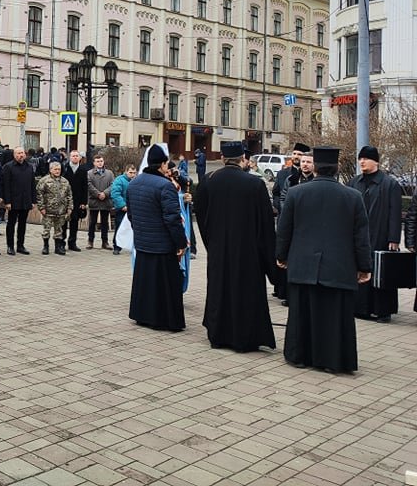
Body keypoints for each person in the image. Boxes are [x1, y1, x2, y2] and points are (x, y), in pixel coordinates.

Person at [276, 146, 372, 373]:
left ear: (315, 168)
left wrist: (281, 256)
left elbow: (284, 229)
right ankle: (333, 360)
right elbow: (361, 237)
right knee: (334, 316)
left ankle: (299, 356)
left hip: (303, 264)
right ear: (337, 168)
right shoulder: (353, 196)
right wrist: (364, 267)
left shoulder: (296, 193)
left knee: (301, 313)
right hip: (339, 267)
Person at [195, 141, 277, 352]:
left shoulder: (208, 181)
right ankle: (245, 337)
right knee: (245, 291)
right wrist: (271, 261)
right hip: (248, 251)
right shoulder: (254, 184)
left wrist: (211, 243)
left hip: (218, 249)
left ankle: (218, 334)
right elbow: (266, 225)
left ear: (222, 159)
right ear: (243, 160)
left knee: (219, 289)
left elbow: (201, 216)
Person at [127, 144, 188, 332]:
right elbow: (172, 219)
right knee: (165, 285)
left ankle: (142, 315)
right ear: (162, 164)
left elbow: (131, 215)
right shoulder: (165, 186)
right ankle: (166, 320)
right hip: (162, 244)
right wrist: (180, 243)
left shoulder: (134, 183)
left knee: (145, 282)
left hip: (143, 242)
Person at [349, 145, 403, 322]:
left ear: (376, 161)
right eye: (360, 158)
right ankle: (360, 308)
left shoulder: (389, 184)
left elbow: (395, 212)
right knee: (359, 269)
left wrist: (394, 238)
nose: (362, 162)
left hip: (380, 235)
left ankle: (382, 310)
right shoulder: (354, 182)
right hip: (359, 236)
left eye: (366, 158)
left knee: (381, 272)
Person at [271, 143, 310, 302]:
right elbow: (278, 195)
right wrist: (283, 210)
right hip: (285, 220)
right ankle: (282, 290)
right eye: (295, 153)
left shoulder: (311, 178)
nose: (297, 157)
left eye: (300, 155)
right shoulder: (285, 175)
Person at [1, 147, 35, 255]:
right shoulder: (8, 167)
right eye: (18, 153)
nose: (21, 155)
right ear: (14, 155)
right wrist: (7, 201)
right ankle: (10, 246)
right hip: (13, 201)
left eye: (22, 153)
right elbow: (5, 185)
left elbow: (32, 185)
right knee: (11, 224)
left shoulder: (29, 167)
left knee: (22, 224)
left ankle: (20, 245)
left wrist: (33, 200)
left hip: (25, 200)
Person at [37, 161, 73, 255]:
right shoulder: (44, 181)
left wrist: (69, 207)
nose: (57, 171)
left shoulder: (65, 181)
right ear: (50, 170)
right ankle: (46, 246)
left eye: (59, 169)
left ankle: (58, 247)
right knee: (46, 230)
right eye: (55, 169)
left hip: (61, 210)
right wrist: (41, 207)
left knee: (59, 230)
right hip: (48, 210)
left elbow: (69, 195)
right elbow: (39, 195)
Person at [60, 150, 89, 252]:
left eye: (77, 156)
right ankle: (61, 243)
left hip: (77, 200)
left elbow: (85, 187)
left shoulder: (83, 170)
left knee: (74, 222)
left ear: (80, 158)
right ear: (69, 157)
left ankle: (72, 242)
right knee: (63, 222)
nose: (75, 158)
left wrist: (84, 202)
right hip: (65, 200)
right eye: (73, 156)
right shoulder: (64, 168)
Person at [86, 153, 114, 250]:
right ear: (94, 163)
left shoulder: (109, 173)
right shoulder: (89, 173)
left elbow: (112, 185)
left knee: (105, 222)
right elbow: (89, 185)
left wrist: (105, 193)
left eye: (101, 161)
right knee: (92, 222)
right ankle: (90, 241)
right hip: (94, 201)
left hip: (106, 201)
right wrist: (98, 194)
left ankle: (105, 242)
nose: (100, 163)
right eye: (98, 161)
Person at [109, 164, 135, 255]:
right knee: (120, 228)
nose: (132, 175)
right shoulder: (119, 180)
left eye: (134, 173)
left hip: (133, 209)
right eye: (130, 172)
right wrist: (122, 205)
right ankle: (117, 246)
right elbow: (115, 194)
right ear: (126, 171)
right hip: (122, 209)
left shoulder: (136, 181)